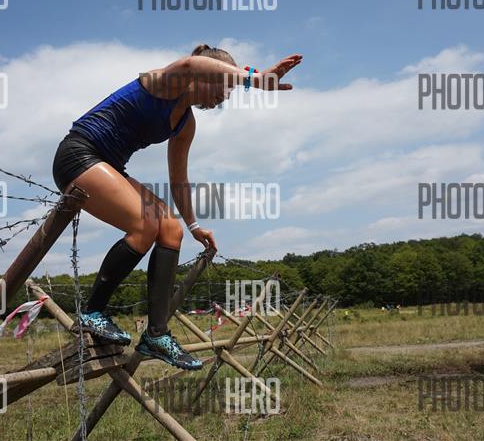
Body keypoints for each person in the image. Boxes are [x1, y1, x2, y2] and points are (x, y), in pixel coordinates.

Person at [51, 44, 302, 369]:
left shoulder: (185, 123)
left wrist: (195, 226)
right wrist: (255, 78)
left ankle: (156, 334)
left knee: (171, 228)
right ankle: (92, 312)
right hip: (78, 154)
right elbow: (188, 64)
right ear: (205, 73)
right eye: (226, 85)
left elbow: (179, 180)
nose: (226, 96)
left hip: (109, 166)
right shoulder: (162, 83)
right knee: (145, 223)